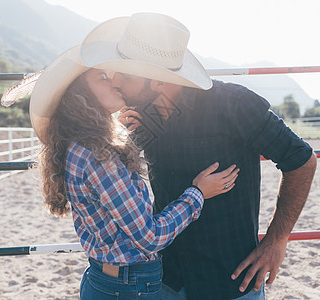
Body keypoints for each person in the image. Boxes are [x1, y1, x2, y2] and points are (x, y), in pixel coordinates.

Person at [79, 12, 318, 299]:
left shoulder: (233, 105)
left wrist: (277, 239)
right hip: (165, 277)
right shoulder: (140, 115)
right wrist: (119, 136)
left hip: (230, 280)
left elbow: (302, 160)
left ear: (158, 81)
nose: (115, 81)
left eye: (126, 76)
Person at [28, 45, 239, 299]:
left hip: (106, 279)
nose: (114, 82)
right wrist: (198, 193)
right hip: (128, 287)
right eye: (102, 78)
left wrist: (117, 134)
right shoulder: (97, 157)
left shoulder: (80, 145)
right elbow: (150, 237)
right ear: (79, 95)